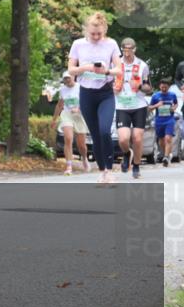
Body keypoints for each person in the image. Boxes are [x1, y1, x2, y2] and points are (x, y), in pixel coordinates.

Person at [66, 12, 123, 185]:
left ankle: (110, 169)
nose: (96, 37)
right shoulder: (78, 44)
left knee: (105, 130)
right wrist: (87, 67)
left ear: (104, 29)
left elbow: (119, 70)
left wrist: (106, 71)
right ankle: (103, 171)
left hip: (105, 93)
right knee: (96, 135)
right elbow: (70, 69)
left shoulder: (111, 44)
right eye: (93, 34)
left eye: (99, 33)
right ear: (86, 31)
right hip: (87, 94)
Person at [114, 38, 150, 179]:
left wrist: (139, 85)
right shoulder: (116, 64)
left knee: (137, 138)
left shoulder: (142, 65)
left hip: (138, 105)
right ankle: (127, 154)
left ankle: (136, 166)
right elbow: (107, 81)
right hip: (122, 105)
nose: (127, 52)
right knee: (123, 139)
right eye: (124, 49)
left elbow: (148, 88)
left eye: (130, 49)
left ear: (134, 49)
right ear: (122, 50)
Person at [51, 71, 90, 175]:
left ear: (73, 77)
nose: (67, 80)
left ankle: (84, 158)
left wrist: (79, 109)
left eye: (68, 78)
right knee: (68, 138)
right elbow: (59, 105)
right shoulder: (63, 90)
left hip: (79, 116)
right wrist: (54, 119)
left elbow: (87, 102)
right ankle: (69, 166)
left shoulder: (80, 87)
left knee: (81, 145)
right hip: (67, 114)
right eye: (65, 79)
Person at [150, 78, 179, 167]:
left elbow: (176, 103)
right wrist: (157, 105)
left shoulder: (173, 95)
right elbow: (150, 108)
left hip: (169, 120)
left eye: (165, 87)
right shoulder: (155, 96)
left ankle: (166, 157)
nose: (164, 89)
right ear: (160, 86)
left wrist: (174, 108)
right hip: (159, 120)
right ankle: (167, 153)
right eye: (162, 87)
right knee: (161, 141)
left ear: (168, 87)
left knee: (168, 138)